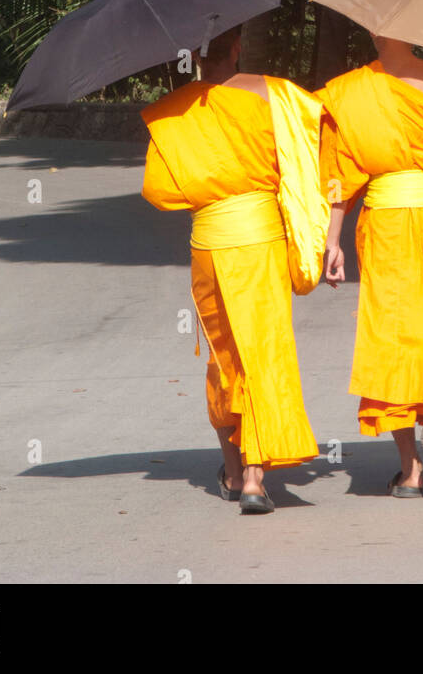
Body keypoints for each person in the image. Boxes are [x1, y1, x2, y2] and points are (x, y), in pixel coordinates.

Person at [141, 25, 327, 514]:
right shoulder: (278, 95)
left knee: (224, 357)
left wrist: (209, 191)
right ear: (238, 46)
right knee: (261, 350)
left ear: (195, 56)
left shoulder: (175, 111)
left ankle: (229, 466)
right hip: (261, 241)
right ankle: (252, 478)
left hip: (209, 242)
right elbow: (311, 151)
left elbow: (158, 191)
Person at [318, 33, 423, 497]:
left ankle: (410, 470)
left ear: (373, 31)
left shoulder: (349, 92)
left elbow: (339, 175)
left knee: (393, 334)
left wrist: (332, 241)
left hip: (387, 220)